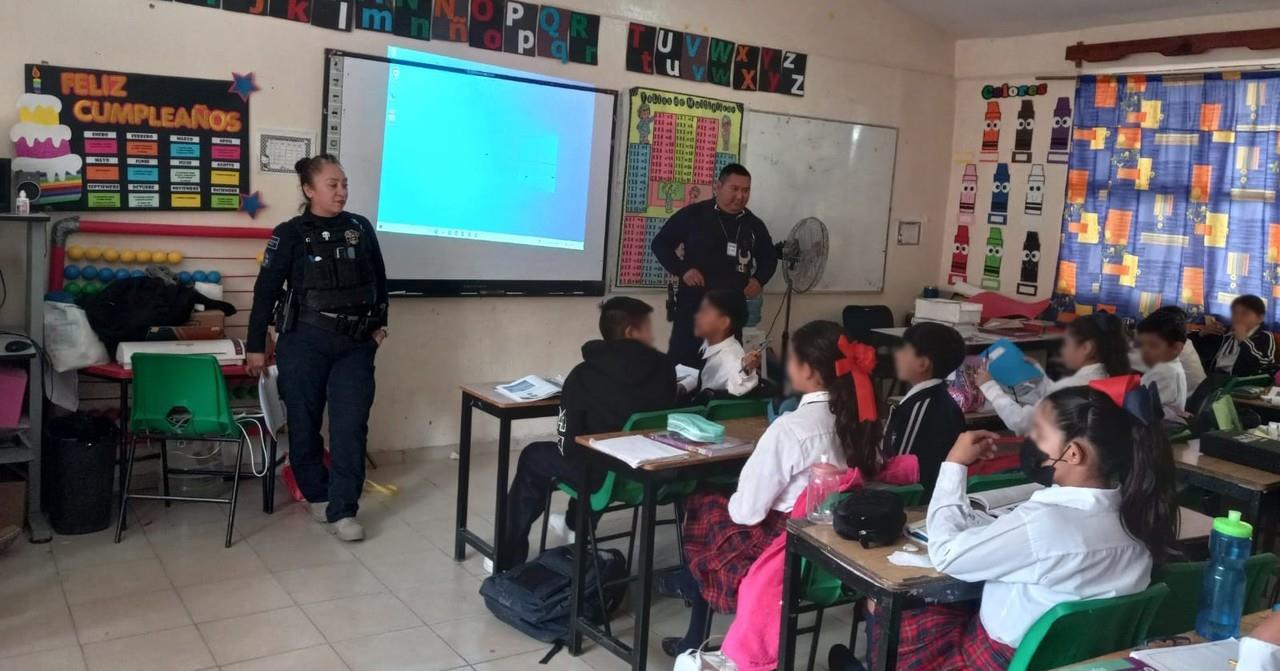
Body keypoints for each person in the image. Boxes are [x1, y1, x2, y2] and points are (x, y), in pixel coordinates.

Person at [835, 376, 1178, 670]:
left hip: (999, 660)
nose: (1029, 440)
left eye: (1039, 434)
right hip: (1071, 659)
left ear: (1073, 454)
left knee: (882, 602)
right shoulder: (1138, 517)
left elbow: (947, 555)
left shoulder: (1045, 524)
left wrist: (954, 464)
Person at [663, 320, 881, 656]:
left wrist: (735, 495)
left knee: (705, 501)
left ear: (807, 371)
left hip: (785, 544)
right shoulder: (861, 420)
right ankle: (689, 585)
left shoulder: (790, 429)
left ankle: (692, 601)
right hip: (836, 542)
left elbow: (747, 512)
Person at [246, 155, 388, 542]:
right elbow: (265, 292)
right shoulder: (290, 233)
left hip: (355, 345)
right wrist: (256, 346)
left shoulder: (360, 228)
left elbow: (379, 279)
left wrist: (380, 327)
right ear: (309, 190)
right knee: (305, 424)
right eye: (332, 184)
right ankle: (317, 492)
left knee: (350, 426)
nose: (341, 191)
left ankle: (343, 509)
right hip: (304, 342)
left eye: (344, 184)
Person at [498, 297, 677, 571]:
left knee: (537, 456)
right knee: (595, 448)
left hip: (604, 477)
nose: (652, 335)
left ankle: (507, 556)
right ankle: (575, 527)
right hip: (650, 474)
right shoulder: (665, 370)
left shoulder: (582, 375)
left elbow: (567, 442)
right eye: (647, 328)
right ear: (630, 332)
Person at [651, 164, 778, 367]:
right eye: (734, 189)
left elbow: (769, 258)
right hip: (694, 309)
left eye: (746, 190)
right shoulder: (694, 215)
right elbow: (660, 244)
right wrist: (683, 270)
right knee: (683, 372)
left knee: (725, 373)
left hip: (730, 315)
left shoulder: (753, 225)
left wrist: (759, 279)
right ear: (718, 186)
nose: (740, 196)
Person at [977, 311, 1131, 435]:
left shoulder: (1069, 388)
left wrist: (989, 387)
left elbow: (1020, 422)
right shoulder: (1107, 378)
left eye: (1067, 343)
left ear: (1086, 348)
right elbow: (1057, 397)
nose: (1064, 350)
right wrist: (1040, 375)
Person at [884, 321, 966, 495]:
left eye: (904, 350)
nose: (897, 354)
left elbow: (899, 473)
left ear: (922, 364)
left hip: (916, 502)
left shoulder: (920, 409)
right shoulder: (937, 398)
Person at [682, 288, 760, 398]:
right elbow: (706, 377)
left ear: (723, 322)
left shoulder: (729, 357)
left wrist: (745, 368)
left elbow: (738, 383)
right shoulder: (709, 344)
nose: (697, 316)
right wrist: (684, 385)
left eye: (705, 312)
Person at [1135, 310, 1189, 424]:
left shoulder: (1164, 371)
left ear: (1175, 347)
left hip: (1152, 433)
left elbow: (1139, 410)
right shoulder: (1166, 366)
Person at [1203, 294, 1277, 377]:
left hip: (1241, 382)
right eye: (1235, 313)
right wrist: (1202, 333)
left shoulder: (1265, 336)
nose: (1238, 317)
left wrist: (1243, 341)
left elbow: (1266, 364)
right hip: (1214, 377)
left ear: (1259, 318)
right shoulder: (1225, 332)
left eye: (1244, 314)